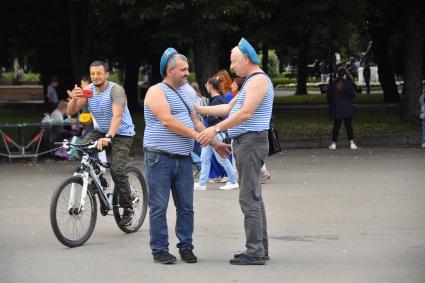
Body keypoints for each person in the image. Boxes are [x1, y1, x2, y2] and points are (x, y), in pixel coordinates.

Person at [143, 48, 228, 264]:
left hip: (182, 159)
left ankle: (186, 246)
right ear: (170, 70)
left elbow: (197, 122)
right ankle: (160, 249)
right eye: (183, 69)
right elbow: (167, 121)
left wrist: (215, 143)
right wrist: (194, 136)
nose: (187, 73)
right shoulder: (156, 91)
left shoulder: (186, 92)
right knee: (159, 206)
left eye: (187, 69)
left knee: (186, 207)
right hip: (158, 158)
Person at [197, 38, 274, 265]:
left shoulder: (258, 81)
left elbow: (245, 114)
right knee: (254, 198)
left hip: (250, 142)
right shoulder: (250, 81)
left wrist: (215, 129)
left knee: (248, 198)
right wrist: (197, 107)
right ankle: (259, 248)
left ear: (246, 59)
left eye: (234, 62)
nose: (231, 68)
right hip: (246, 142)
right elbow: (228, 108)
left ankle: (255, 252)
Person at [66, 60, 136, 225]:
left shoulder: (116, 90)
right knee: (81, 148)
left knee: (117, 170)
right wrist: (75, 99)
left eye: (99, 73)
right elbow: (70, 111)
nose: (95, 77)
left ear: (106, 75)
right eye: (92, 74)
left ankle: (128, 207)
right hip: (101, 131)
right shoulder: (88, 90)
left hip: (121, 134)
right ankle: (99, 184)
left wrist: (109, 137)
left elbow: (117, 116)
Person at [194, 77, 238, 191]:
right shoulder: (218, 98)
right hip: (213, 132)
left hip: (215, 132)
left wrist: (206, 114)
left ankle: (233, 180)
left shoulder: (216, 100)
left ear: (210, 86)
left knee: (221, 158)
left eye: (207, 84)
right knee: (205, 157)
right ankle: (202, 183)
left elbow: (213, 118)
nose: (205, 86)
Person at [327, 67, 358, 150]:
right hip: (347, 107)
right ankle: (352, 143)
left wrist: (332, 104)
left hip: (337, 107)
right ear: (344, 75)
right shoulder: (347, 83)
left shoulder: (333, 84)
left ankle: (333, 143)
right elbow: (352, 94)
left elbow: (329, 96)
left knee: (336, 126)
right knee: (348, 126)